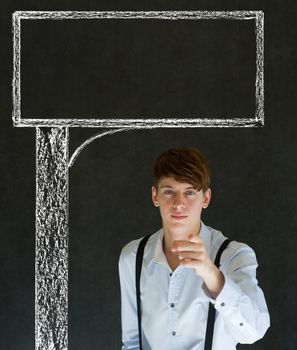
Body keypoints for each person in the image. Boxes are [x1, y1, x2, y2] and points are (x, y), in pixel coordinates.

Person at [119, 147, 270, 350]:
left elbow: (254, 332)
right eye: (169, 191)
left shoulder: (233, 255)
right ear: (155, 196)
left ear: (206, 198)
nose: (179, 203)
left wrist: (213, 276)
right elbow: (132, 342)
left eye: (190, 192)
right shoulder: (133, 257)